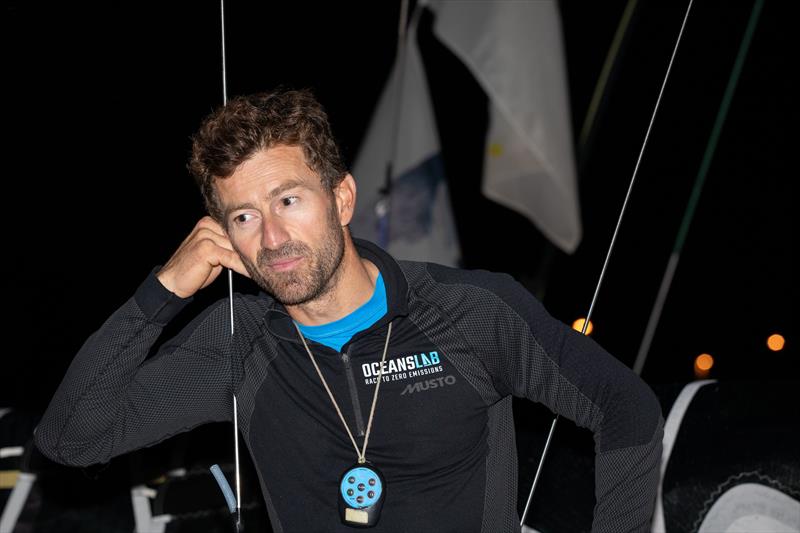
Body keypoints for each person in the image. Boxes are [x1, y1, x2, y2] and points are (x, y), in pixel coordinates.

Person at [34, 88, 664, 532]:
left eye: (289, 200)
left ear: (341, 198)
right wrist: (163, 290)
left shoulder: (469, 310)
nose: (272, 239)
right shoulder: (236, 344)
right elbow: (71, 440)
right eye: (245, 217)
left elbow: (623, 404)